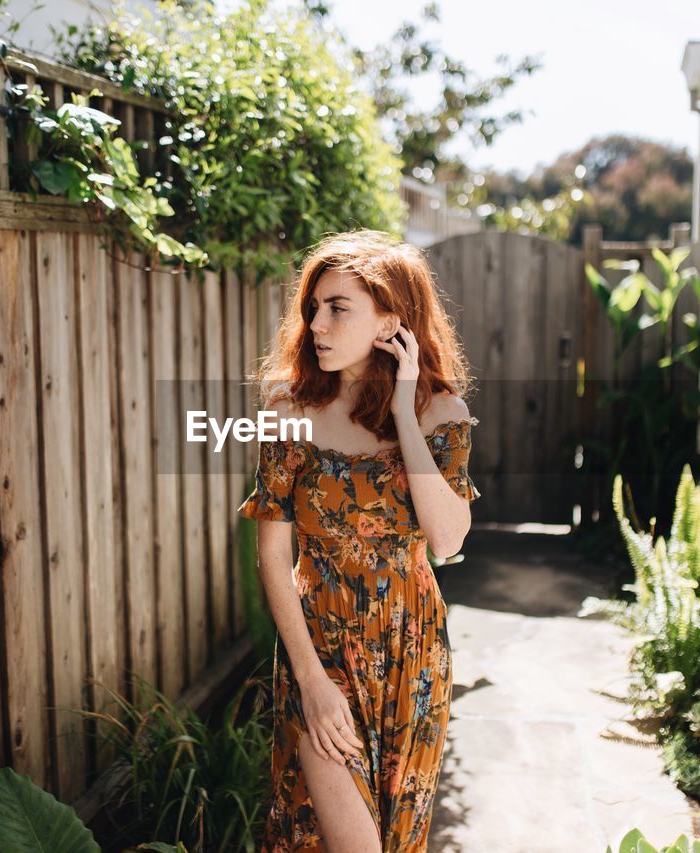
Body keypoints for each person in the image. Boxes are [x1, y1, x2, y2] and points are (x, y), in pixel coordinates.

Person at [237, 229, 480, 852]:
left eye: (337, 307)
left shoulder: (439, 415)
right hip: (319, 649)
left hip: (413, 653)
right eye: (312, 308)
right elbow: (272, 557)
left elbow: (448, 538)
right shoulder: (287, 408)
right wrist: (311, 681)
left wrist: (403, 410)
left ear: (389, 322)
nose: (316, 323)